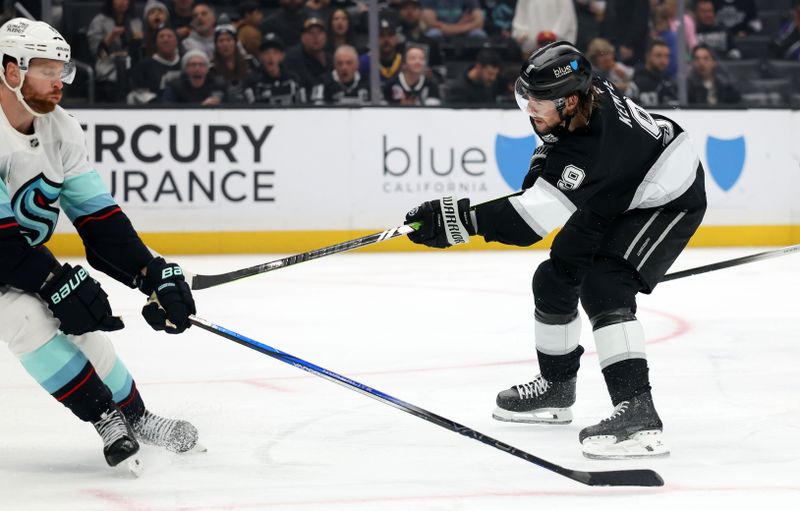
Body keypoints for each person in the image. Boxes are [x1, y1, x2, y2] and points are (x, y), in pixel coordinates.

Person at [403, 41, 707, 459]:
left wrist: (458, 221)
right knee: (555, 277)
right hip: (620, 182)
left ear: (568, 101)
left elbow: (529, 223)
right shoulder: (579, 97)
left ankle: (639, 413)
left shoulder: (592, 145)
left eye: (538, 102)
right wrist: (541, 165)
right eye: (525, 97)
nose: (530, 109)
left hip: (667, 193)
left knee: (605, 286)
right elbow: (554, 153)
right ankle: (557, 388)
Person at [0, 18, 199, 470]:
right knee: (25, 317)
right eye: (47, 71)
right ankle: (105, 416)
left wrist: (150, 273)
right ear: (12, 71)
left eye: (63, 71)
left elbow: (99, 220)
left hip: (13, 255)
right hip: (4, 252)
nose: (59, 83)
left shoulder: (62, 130)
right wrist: (52, 281)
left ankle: (138, 417)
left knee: (83, 321)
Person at [87, 0, 144, 102]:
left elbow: (141, 48)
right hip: (108, 64)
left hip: (133, 64)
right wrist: (111, 36)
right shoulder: (99, 21)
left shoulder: (135, 21)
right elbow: (96, 52)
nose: (122, 2)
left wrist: (139, 40)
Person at [244, 32, 307, 105]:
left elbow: (303, 107)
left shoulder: (294, 80)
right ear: (260, 56)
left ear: (282, 56)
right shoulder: (253, 82)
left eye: (275, 53)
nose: (270, 57)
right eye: (266, 53)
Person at [128, 23, 181, 104]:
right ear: (156, 42)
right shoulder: (144, 65)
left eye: (170, 36)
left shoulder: (185, 64)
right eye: (161, 36)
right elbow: (139, 93)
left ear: (177, 42)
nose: (165, 40)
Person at [284, 16, 333, 95]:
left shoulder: (331, 58)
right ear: (303, 37)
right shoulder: (294, 59)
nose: (315, 37)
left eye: (319, 32)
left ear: (325, 37)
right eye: (311, 33)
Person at [511, 0, 577, 54]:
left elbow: (566, 16)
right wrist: (521, 33)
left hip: (557, 49)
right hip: (532, 49)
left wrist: (552, 37)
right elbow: (520, 16)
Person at [210, 23, 254, 103]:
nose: (225, 44)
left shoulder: (250, 62)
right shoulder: (211, 68)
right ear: (216, 45)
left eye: (229, 40)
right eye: (221, 41)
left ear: (235, 42)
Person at [633, 39, 677, 107]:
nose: (663, 61)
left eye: (667, 56)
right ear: (648, 56)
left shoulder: (668, 82)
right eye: (658, 55)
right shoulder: (637, 83)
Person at [421, 0, 487, 39]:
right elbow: (430, 23)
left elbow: (479, 22)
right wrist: (461, 25)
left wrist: (451, 29)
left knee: (478, 34)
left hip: (464, 33)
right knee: (433, 33)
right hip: (441, 33)